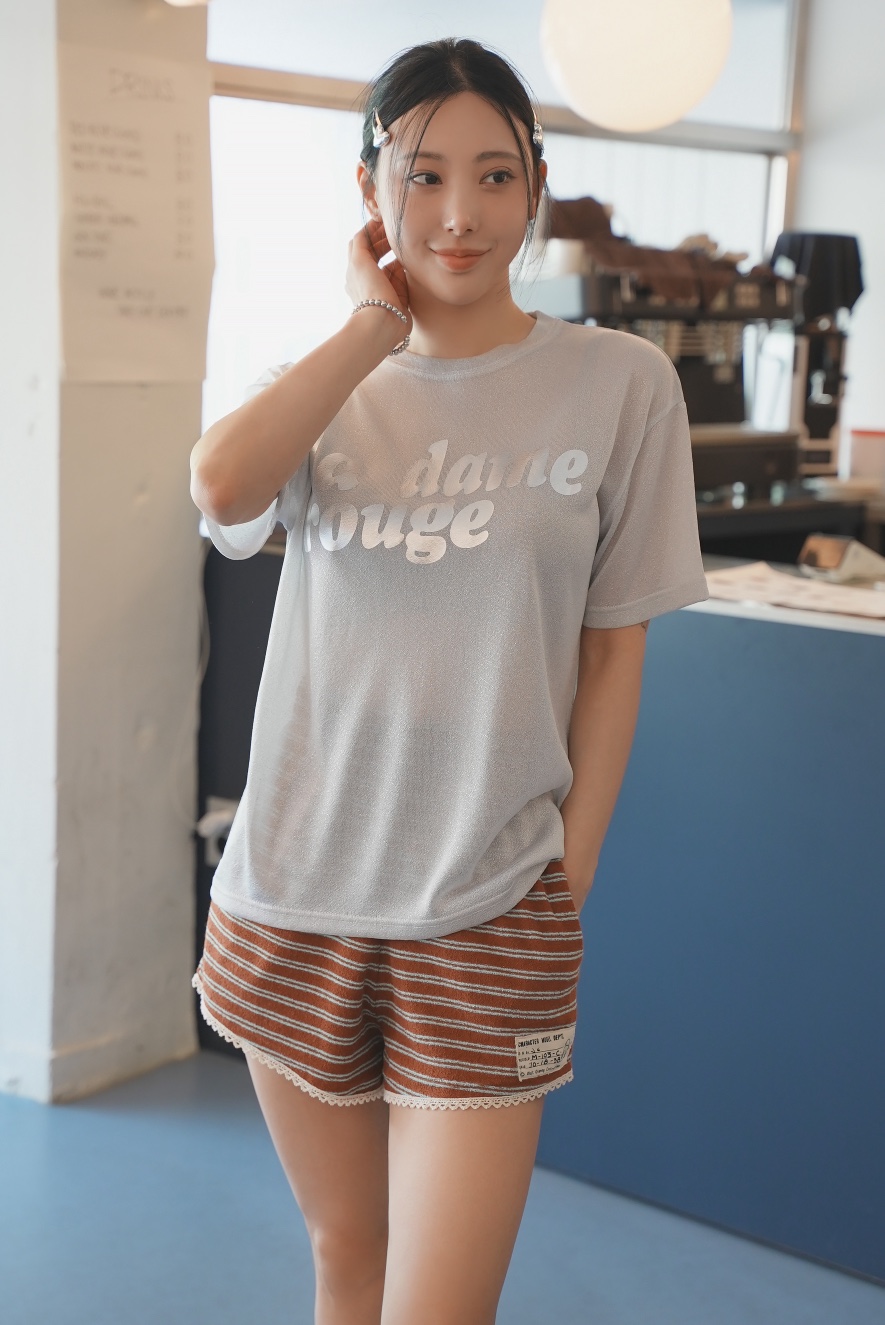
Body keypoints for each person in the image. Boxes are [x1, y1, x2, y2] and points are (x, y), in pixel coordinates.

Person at [188, 36, 709, 1325]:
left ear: (536, 186)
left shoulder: (620, 385)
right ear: (369, 190)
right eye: (422, 176)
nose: (461, 214)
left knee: (439, 1309)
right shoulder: (324, 388)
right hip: (294, 890)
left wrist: (567, 873)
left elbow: (614, 646)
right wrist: (374, 327)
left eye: (495, 174)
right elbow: (223, 488)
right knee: (346, 1265)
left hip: (488, 899)